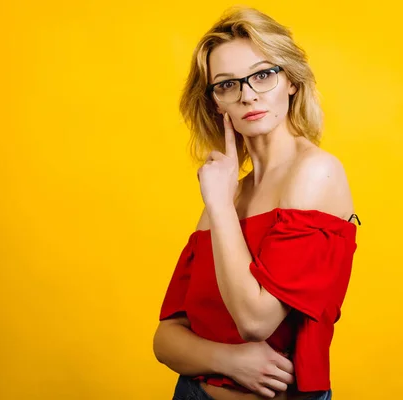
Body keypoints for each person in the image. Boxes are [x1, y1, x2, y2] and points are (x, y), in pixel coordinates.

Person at [153, 6, 360, 400]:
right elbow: (165, 338)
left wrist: (219, 205)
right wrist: (230, 360)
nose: (247, 95)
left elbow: (255, 320)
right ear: (217, 102)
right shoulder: (227, 189)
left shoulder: (315, 171)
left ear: (292, 82)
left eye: (263, 75)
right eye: (227, 85)